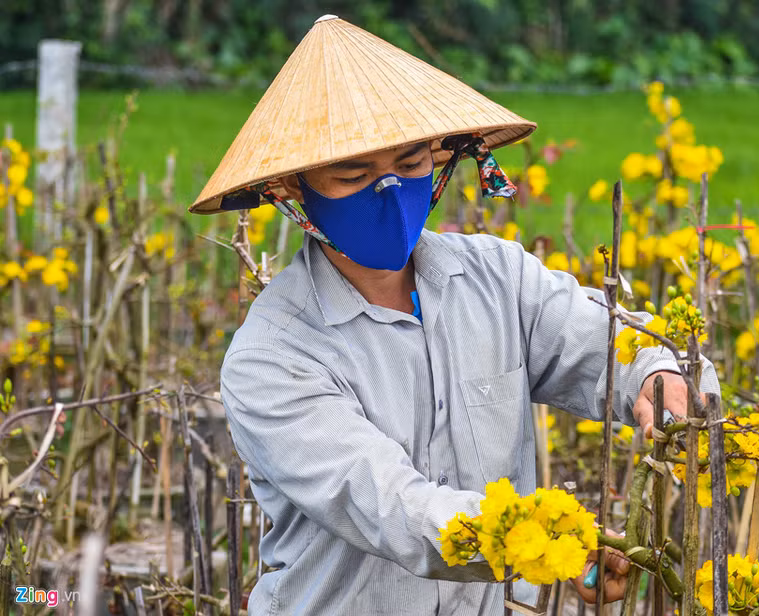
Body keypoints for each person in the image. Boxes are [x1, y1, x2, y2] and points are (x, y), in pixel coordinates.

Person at [190, 15, 720, 616]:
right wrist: (540, 537)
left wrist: (659, 377)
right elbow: (387, 504)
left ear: (442, 158)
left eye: (411, 162)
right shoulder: (273, 355)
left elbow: (611, 344)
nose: (388, 189)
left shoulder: (500, 279)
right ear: (292, 189)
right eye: (352, 174)